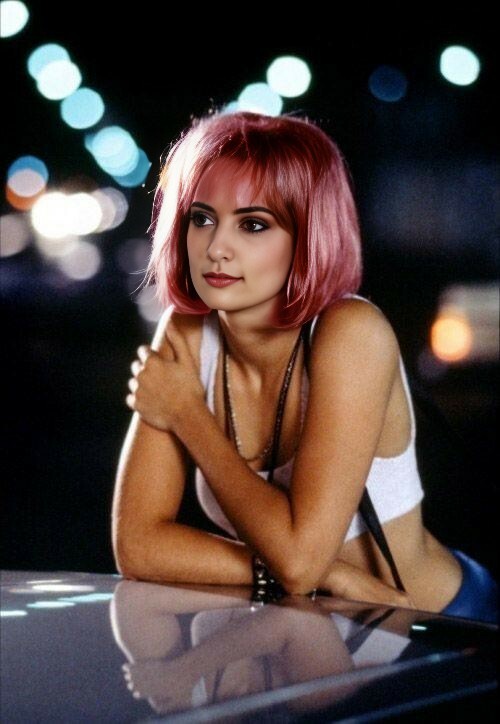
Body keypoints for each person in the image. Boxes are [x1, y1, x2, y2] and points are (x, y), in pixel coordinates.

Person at [111, 110, 498, 623]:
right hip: (308, 635)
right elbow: (138, 546)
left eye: (252, 224)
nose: (216, 248)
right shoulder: (188, 331)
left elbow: (299, 562)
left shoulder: (350, 332)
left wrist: (187, 415)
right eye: (201, 218)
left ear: (307, 235)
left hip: (440, 628)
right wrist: (321, 576)